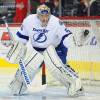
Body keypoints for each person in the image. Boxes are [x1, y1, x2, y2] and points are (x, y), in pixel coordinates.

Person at [6, 4, 84, 96]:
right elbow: (22, 38)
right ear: (37, 15)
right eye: (42, 16)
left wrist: (74, 40)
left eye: (47, 16)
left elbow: (66, 38)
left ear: (50, 14)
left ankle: (76, 85)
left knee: (56, 67)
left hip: (56, 49)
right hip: (37, 50)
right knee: (27, 71)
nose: (45, 19)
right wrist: (16, 46)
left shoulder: (56, 22)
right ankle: (19, 84)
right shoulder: (29, 21)